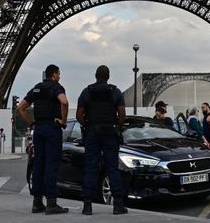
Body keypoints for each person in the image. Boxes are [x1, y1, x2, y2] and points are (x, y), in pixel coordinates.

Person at [17, 64, 69, 215]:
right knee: (51, 165)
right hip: (52, 129)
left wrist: (31, 124)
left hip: (38, 129)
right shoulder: (56, 87)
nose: (59, 76)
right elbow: (64, 102)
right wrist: (63, 121)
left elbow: (20, 108)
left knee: (38, 165)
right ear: (54, 75)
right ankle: (51, 203)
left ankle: (37, 202)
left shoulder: (36, 88)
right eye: (59, 74)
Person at [76, 65, 128, 215]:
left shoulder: (87, 91)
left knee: (91, 168)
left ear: (95, 76)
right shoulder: (115, 92)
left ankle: (87, 205)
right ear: (108, 76)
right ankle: (117, 204)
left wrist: (88, 125)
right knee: (113, 168)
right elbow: (122, 115)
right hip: (110, 134)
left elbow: (79, 115)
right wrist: (115, 126)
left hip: (92, 133)